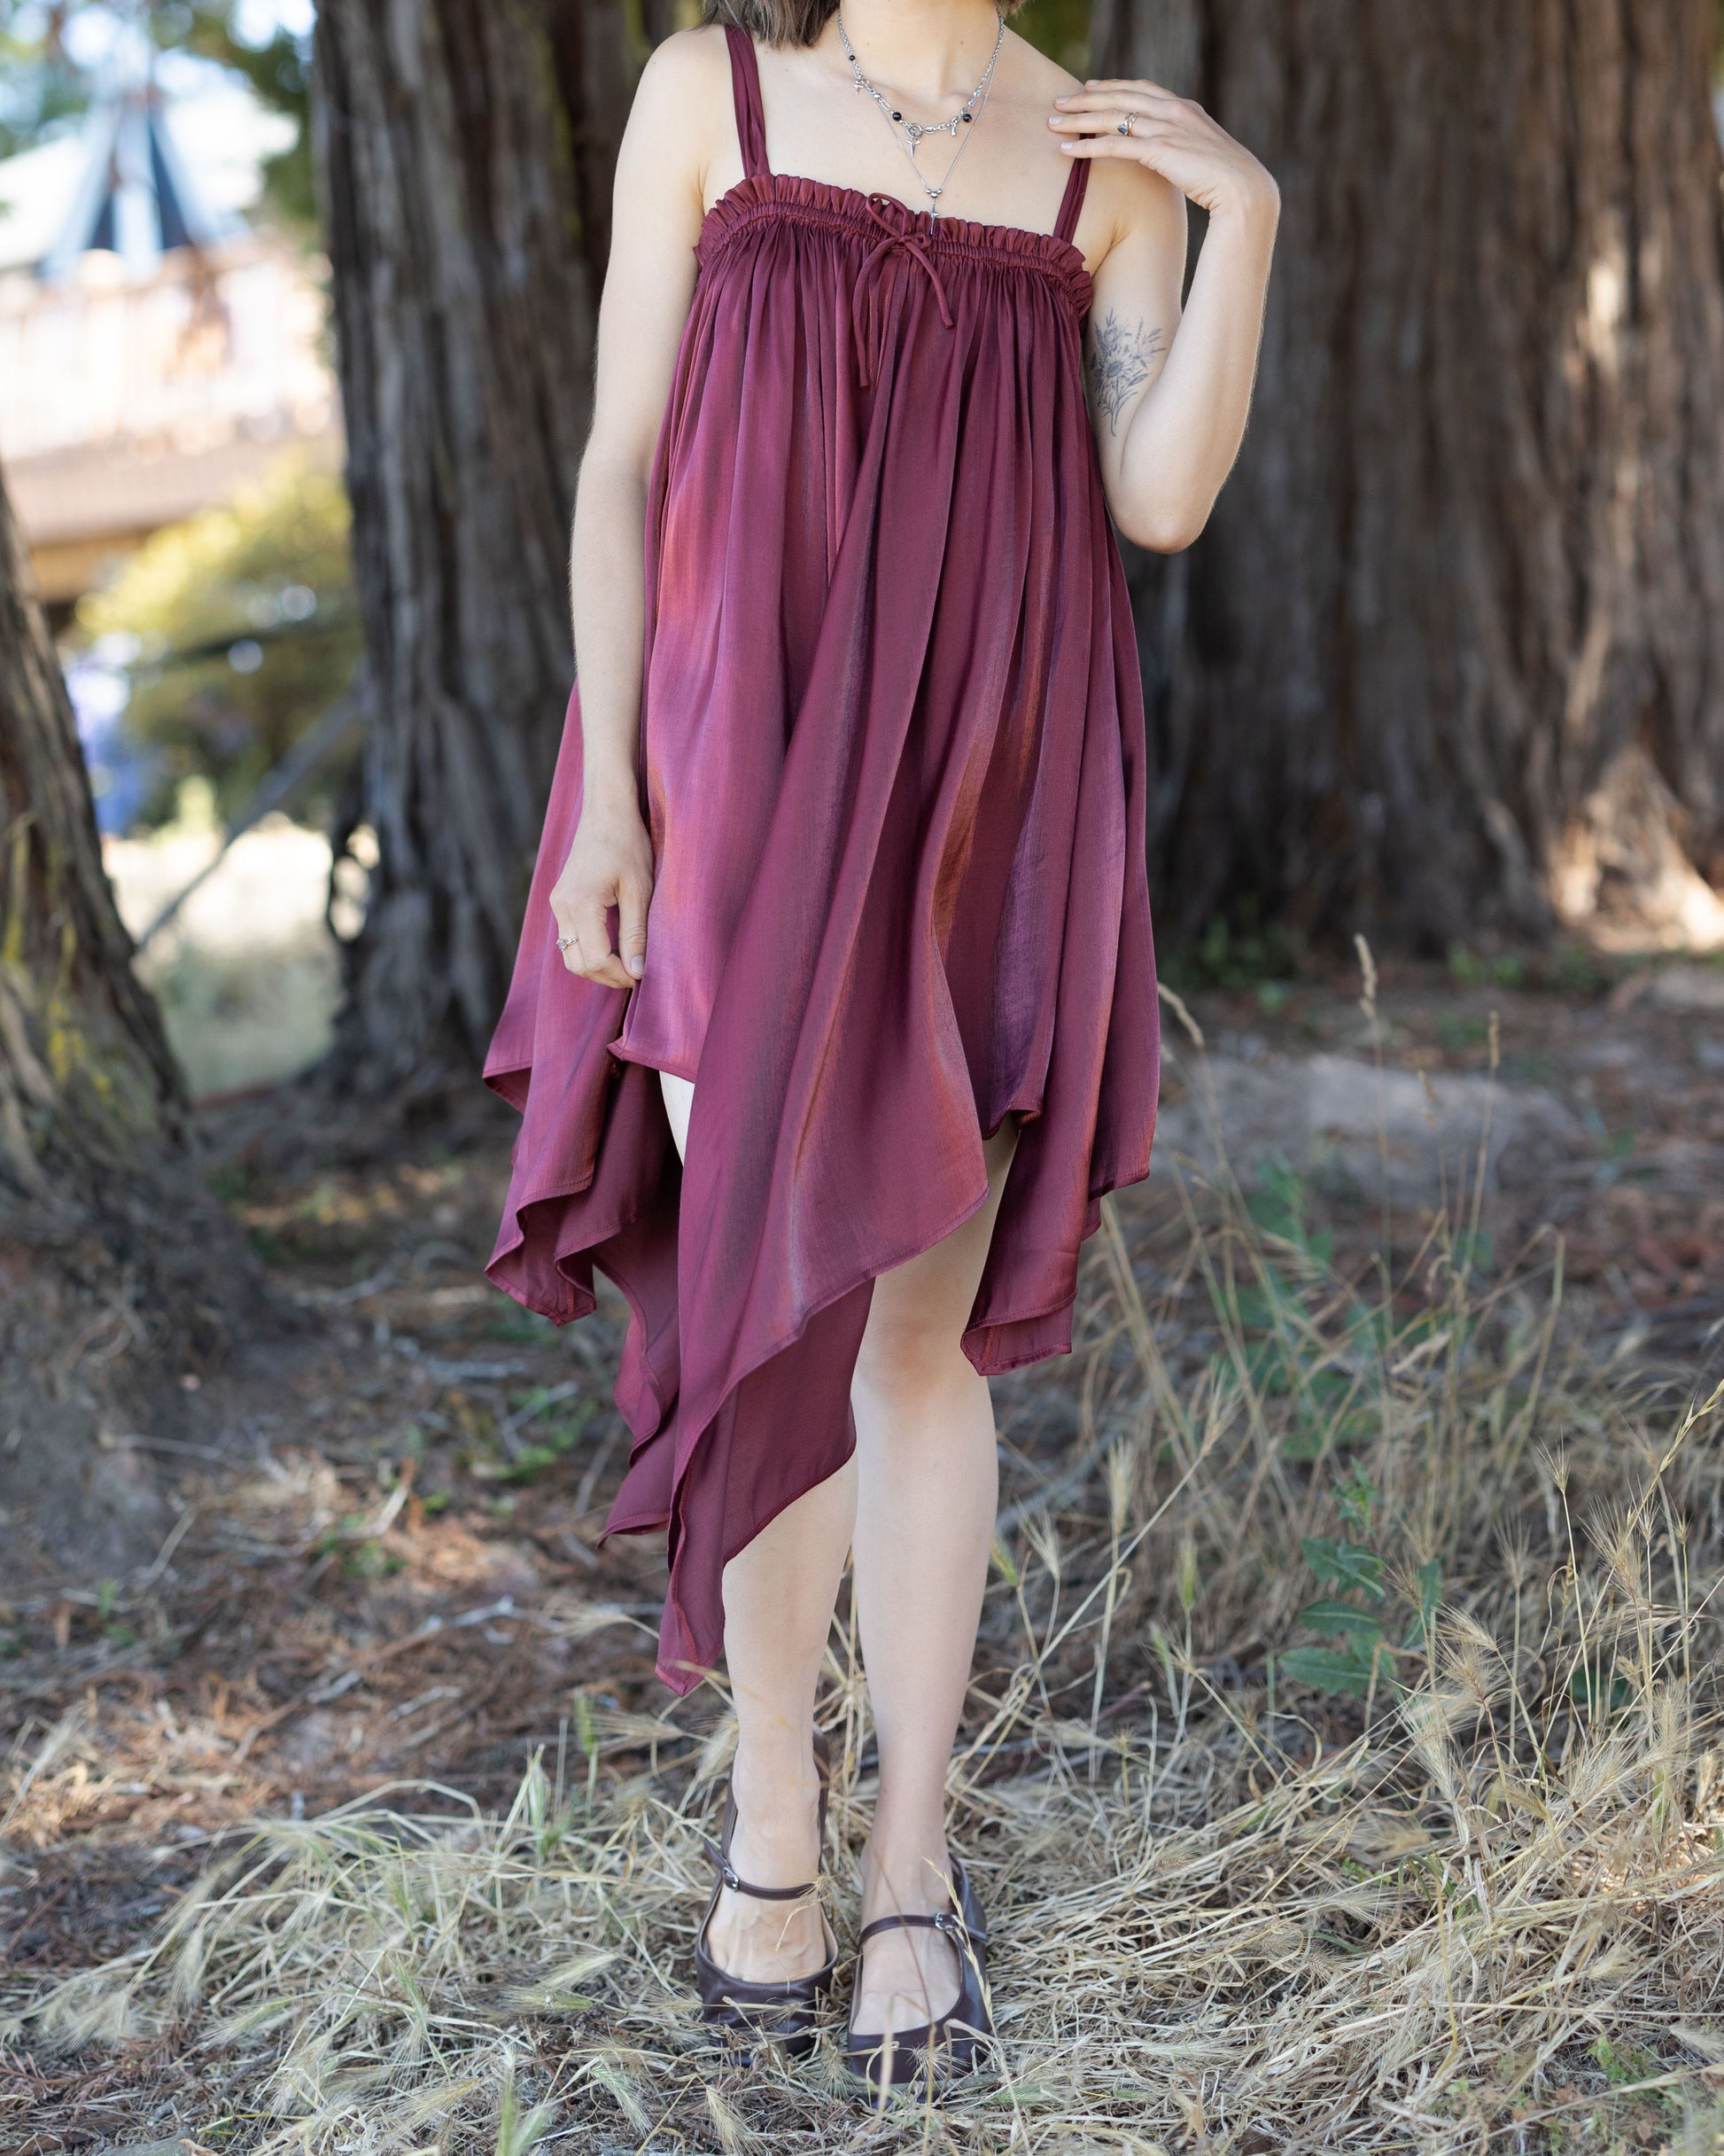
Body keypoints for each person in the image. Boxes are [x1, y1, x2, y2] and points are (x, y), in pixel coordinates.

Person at [484, 0, 1277, 2092]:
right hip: (726, 777)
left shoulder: (1108, 154)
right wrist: (615, 810)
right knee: (767, 1297)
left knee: (913, 1334)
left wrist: (1246, 215)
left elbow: (1160, 496)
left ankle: (910, 1869)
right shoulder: (708, 95)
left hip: (981, 795)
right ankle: (775, 1826)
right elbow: (618, 463)